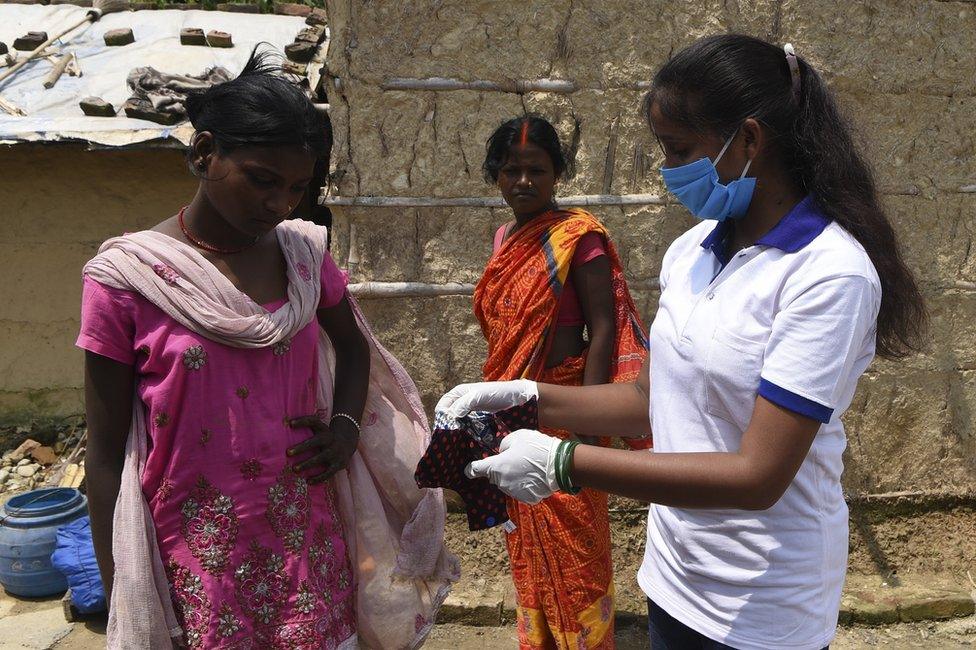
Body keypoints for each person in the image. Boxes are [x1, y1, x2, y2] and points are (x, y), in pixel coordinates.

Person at [439, 35, 927, 650]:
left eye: (679, 150)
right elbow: (649, 396)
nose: (668, 170)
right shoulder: (692, 251)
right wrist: (521, 397)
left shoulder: (828, 275)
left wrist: (564, 462)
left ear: (748, 141)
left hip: (762, 605)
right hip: (673, 578)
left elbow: (757, 476)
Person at [80, 51, 456, 650]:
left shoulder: (304, 257)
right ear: (205, 154)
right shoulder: (129, 279)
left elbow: (355, 352)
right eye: (262, 179)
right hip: (194, 551)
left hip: (307, 540)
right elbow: (103, 457)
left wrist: (344, 429)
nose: (280, 204)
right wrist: (118, 587)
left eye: (297, 188)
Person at [472, 115, 650, 650]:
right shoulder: (506, 238)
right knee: (524, 528)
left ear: (557, 175)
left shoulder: (580, 238)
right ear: (495, 176)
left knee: (576, 534)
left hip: (568, 402)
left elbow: (604, 328)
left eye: (536, 170)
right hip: (514, 404)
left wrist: (586, 421)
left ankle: (588, 641)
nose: (523, 182)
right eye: (511, 171)